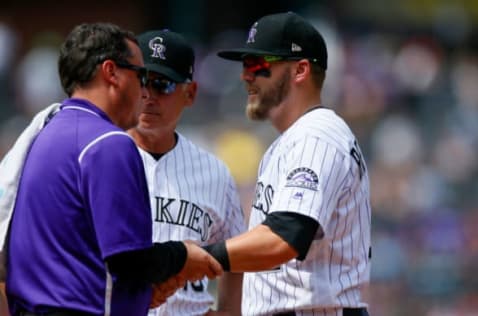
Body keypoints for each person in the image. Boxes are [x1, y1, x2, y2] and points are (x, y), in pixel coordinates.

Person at [4, 22, 222, 316]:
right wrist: (182, 255)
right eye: (141, 75)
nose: (145, 90)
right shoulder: (108, 143)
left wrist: (140, 296)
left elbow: (76, 257)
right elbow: (128, 261)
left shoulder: (45, 133)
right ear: (111, 72)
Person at [205, 12, 372, 315]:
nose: (246, 76)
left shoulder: (317, 136)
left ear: (300, 70)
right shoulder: (292, 141)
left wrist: (196, 258)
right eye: (245, 66)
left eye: (257, 66)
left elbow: (284, 238)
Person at [130, 29, 245, 316]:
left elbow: (236, 257)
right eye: (141, 80)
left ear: (190, 93)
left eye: (163, 85)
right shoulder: (97, 157)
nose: (148, 95)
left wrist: (229, 312)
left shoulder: (214, 173)